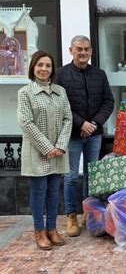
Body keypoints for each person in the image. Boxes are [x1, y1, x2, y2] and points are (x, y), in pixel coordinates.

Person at [56, 35, 115, 237]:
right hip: (72, 134)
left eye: (86, 49)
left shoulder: (99, 74)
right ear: (70, 50)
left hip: (94, 134)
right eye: (79, 49)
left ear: (91, 52)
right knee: (71, 176)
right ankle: (71, 215)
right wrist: (82, 123)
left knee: (92, 176)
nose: (83, 53)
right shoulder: (61, 75)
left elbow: (108, 101)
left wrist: (94, 124)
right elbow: (61, 106)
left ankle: (88, 212)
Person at [17, 51, 72, 250]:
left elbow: (68, 119)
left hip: (58, 152)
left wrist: (60, 145)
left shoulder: (60, 91)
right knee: (39, 191)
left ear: (52, 70)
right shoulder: (25, 93)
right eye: (40, 65)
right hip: (37, 153)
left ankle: (52, 229)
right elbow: (26, 122)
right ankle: (39, 231)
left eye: (48, 66)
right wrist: (47, 148)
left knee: (53, 192)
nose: (44, 69)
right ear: (33, 67)